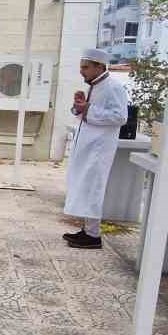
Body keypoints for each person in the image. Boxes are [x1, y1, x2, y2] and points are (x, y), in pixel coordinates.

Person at [63, 48, 130, 250]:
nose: (81, 71)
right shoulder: (95, 86)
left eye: (85, 67)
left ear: (99, 67)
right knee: (84, 186)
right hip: (87, 146)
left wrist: (88, 109)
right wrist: (79, 106)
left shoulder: (114, 87)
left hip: (99, 148)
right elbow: (84, 114)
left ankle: (93, 236)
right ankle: (87, 230)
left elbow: (120, 117)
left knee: (93, 188)